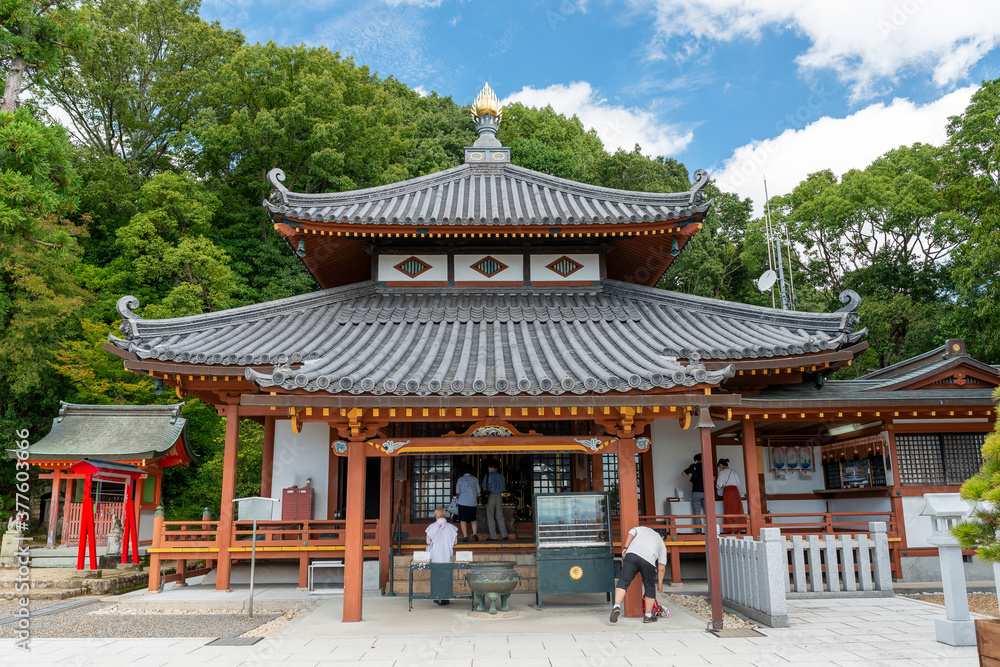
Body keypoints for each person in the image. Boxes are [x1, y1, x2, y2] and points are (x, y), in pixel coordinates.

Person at [609, 525, 667, 624]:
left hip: (632, 554)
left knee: (623, 581)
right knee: (650, 586)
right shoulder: (661, 543)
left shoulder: (644, 529)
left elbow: (632, 532)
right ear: (662, 537)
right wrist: (660, 584)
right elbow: (661, 567)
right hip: (649, 560)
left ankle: (617, 606)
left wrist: (625, 547)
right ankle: (648, 615)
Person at [425, 507, 459, 605]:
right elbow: (455, 542)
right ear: (445, 515)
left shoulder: (431, 527)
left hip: (436, 555)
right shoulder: (452, 528)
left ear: (436, 516)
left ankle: (437, 596)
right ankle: (446, 597)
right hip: (447, 554)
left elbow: (428, 541)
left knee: (436, 575)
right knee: (446, 575)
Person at [481, 461, 509, 541]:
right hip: (499, 496)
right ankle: (504, 535)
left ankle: (493, 536)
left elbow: (484, 488)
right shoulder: (501, 476)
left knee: (490, 516)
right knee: (500, 516)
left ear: (489, 467)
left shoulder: (488, 475)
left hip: (491, 496)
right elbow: (504, 488)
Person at [716, 458, 744, 533]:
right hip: (735, 491)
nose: (719, 468)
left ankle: (731, 530)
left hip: (728, 491)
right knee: (737, 509)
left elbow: (719, 485)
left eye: (719, 466)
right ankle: (739, 530)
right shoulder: (733, 471)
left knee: (729, 510)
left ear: (721, 465)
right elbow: (738, 483)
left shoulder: (722, 473)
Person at [680, 453, 704, 533]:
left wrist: (690, 467)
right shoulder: (707, 466)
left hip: (696, 491)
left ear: (696, 460)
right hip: (707, 492)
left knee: (697, 512)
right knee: (709, 511)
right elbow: (713, 479)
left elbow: (683, 473)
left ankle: (698, 530)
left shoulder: (694, 466)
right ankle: (711, 529)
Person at [455, 468, 480, 542]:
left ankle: (465, 536)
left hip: (463, 502)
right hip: (473, 502)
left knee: (463, 520)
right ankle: (475, 534)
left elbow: (457, 491)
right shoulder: (475, 479)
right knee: (473, 519)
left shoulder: (460, 479)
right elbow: (478, 491)